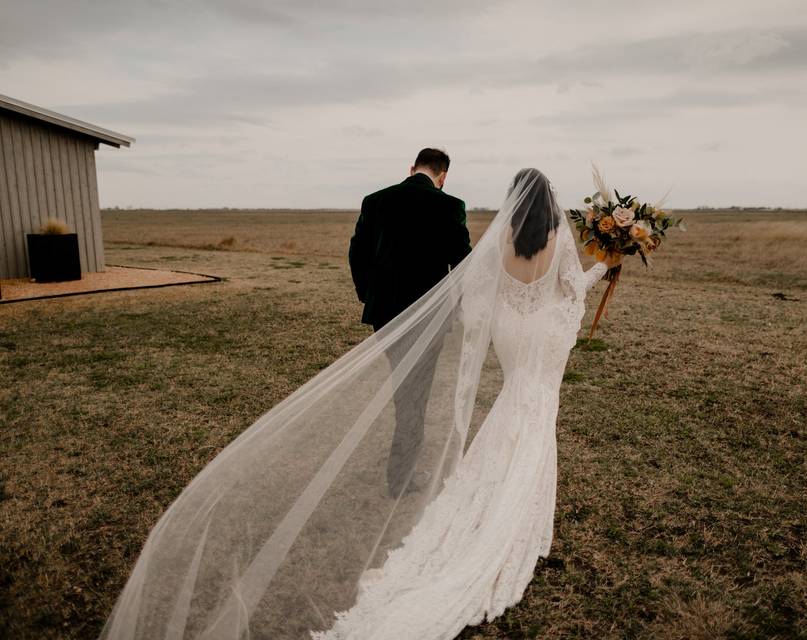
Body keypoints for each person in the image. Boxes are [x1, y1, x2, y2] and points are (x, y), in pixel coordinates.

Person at [99, 168, 617, 640]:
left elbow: (478, 287)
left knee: (509, 400)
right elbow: (569, 292)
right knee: (534, 406)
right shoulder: (556, 238)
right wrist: (607, 266)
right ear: (550, 205)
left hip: (502, 331)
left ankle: (470, 480)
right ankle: (511, 508)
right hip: (540, 336)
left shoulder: (501, 239)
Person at [349, 148, 472, 497]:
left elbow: (356, 252)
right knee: (414, 395)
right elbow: (462, 262)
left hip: (385, 314)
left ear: (412, 168)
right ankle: (401, 476)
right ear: (443, 175)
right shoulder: (450, 206)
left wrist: (367, 294)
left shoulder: (375, 201)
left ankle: (402, 467)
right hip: (428, 317)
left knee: (406, 391)